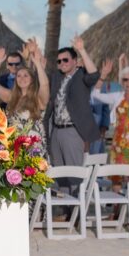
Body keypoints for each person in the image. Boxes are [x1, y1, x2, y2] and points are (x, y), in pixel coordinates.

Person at [44, 36, 100, 173]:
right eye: (59, 61)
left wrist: (81, 49)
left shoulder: (81, 75)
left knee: (74, 172)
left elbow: (94, 75)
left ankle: (76, 195)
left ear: (75, 61)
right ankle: (62, 194)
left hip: (73, 130)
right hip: (55, 131)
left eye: (65, 60)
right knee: (57, 173)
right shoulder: (56, 76)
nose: (62, 63)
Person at [0, 41, 49, 147]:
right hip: (15, 146)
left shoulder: (38, 99)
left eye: (26, 75)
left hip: (34, 148)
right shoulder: (11, 96)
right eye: (19, 76)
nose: (22, 78)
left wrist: (38, 64)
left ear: (32, 79)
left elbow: (44, 84)